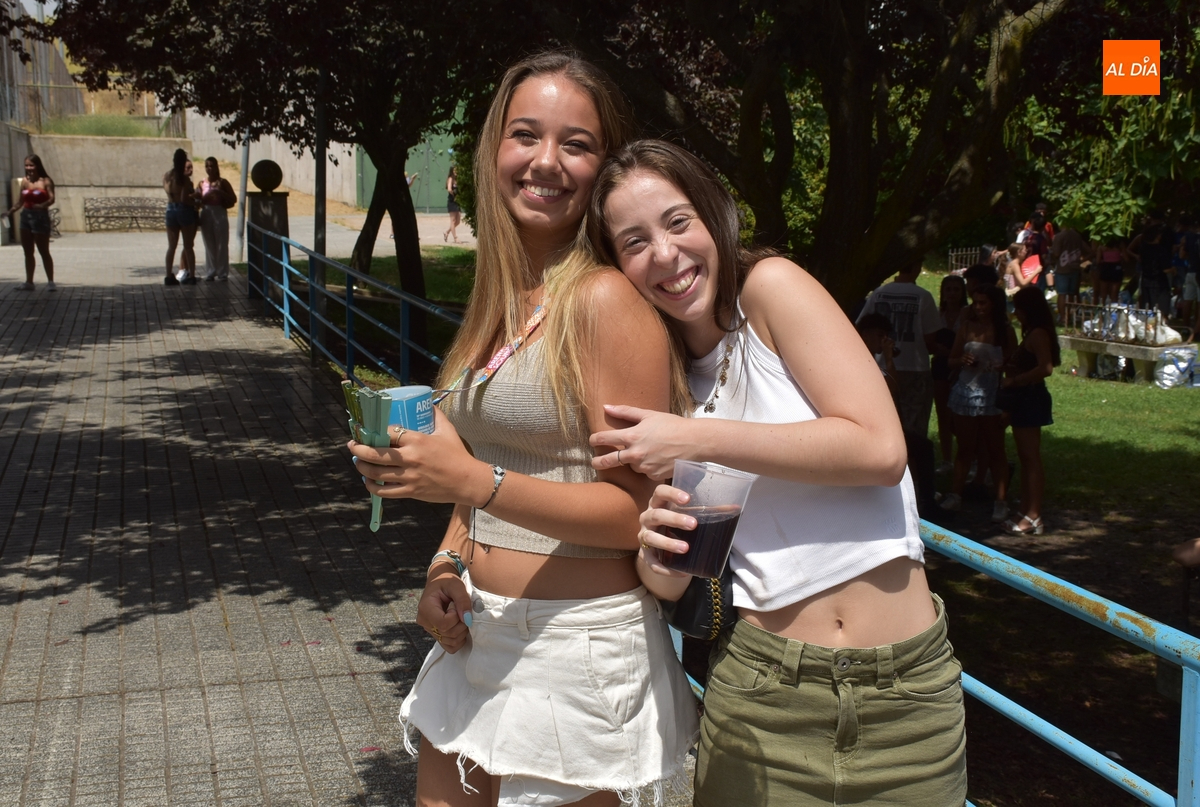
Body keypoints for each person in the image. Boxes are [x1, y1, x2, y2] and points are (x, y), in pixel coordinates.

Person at [346, 53, 697, 806]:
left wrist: (475, 482)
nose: (546, 161)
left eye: (577, 143)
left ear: (603, 167)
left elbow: (636, 513)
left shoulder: (604, 301)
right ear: (494, 149)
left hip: (576, 649)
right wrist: (443, 567)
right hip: (479, 631)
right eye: (527, 134)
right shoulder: (501, 298)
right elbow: (479, 467)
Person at [587, 140, 967, 806]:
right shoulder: (661, 382)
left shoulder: (769, 290)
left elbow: (880, 449)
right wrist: (658, 549)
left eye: (678, 222)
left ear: (712, 214)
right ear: (617, 266)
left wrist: (695, 437)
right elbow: (677, 579)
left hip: (907, 696)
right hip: (763, 695)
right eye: (635, 242)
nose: (666, 254)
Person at [857, 262, 940, 515]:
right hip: (871, 429)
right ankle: (923, 502)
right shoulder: (861, 360)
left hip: (882, 426)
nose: (884, 340)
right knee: (920, 449)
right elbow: (891, 390)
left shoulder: (874, 359)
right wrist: (889, 359)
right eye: (880, 335)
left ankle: (924, 500)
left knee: (920, 447)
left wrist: (888, 357)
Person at [940, 284, 1017, 521]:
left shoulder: (1005, 331)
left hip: (992, 395)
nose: (978, 307)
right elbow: (951, 360)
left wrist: (1003, 369)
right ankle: (956, 495)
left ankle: (1000, 501)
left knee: (995, 450)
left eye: (983, 302)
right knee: (965, 448)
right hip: (966, 393)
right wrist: (961, 359)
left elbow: (1015, 365)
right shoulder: (966, 327)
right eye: (975, 302)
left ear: (994, 304)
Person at [998, 287, 1059, 536]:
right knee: (1025, 457)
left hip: (1031, 397)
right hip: (1023, 398)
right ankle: (1025, 509)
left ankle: (1034, 515)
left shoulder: (1038, 334)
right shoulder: (1032, 333)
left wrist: (1015, 380)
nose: (1016, 313)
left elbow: (1046, 368)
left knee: (1031, 457)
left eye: (1019, 308)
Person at [932, 274, 968, 473]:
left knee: (960, 416)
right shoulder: (938, 315)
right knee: (943, 414)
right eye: (948, 289)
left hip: (962, 366)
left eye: (956, 289)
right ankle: (947, 459)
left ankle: (968, 456)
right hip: (940, 366)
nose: (952, 293)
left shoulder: (967, 315)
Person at [8, 154, 56, 291]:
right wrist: (9, 212)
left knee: (43, 251)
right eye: (26, 165)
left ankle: (51, 282)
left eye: (31, 165)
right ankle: (29, 282)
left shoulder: (46, 181)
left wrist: (42, 205)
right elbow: (20, 201)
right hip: (25, 217)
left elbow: (52, 199)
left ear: (37, 165)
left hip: (40, 218)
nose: (28, 168)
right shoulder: (25, 181)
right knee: (28, 251)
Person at [196, 157, 236, 281]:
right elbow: (197, 200)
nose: (209, 168)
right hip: (206, 212)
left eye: (212, 166)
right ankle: (211, 271)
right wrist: (202, 199)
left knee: (222, 243)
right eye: (207, 166)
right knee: (209, 243)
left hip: (220, 212)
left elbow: (233, 198)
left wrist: (220, 193)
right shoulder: (202, 183)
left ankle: (222, 272)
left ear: (216, 167)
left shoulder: (223, 182)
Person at [1129, 211, 1174, 317]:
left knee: (1147, 306)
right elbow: (1166, 269)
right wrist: (1173, 270)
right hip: (1159, 282)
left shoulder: (1144, 249)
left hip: (1146, 280)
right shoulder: (1161, 250)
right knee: (1161, 309)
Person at [164, 149, 199, 286]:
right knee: (188, 246)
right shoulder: (184, 179)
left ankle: (168, 275)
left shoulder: (167, 176)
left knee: (171, 246)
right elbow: (184, 199)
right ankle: (192, 275)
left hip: (170, 209)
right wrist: (196, 203)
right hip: (183, 211)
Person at [1049, 225, 1090, 322]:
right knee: (1072, 293)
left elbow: (1056, 253)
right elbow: (1090, 252)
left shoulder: (1059, 236)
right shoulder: (1077, 236)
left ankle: (1063, 317)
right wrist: (1081, 260)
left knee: (1062, 294)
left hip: (1062, 269)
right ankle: (1070, 315)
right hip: (1075, 268)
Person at [1095, 238, 1126, 307]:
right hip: (1116, 269)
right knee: (1114, 295)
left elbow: (1097, 261)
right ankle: (1113, 310)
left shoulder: (1102, 246)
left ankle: (1101, 310)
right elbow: (1126, 258)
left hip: (1105, 269)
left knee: (1103, 294)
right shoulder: (1120, 245)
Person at [443, 165, 462, 243]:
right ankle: (455, 238)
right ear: (452, 171)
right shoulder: (450, 178)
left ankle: (447, 232)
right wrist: (454, 195)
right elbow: (449, 189)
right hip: (452, 201)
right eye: (454, 170)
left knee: (458, 221)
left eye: (457, 170)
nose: (456, 172)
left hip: (457, 201)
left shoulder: (458, 179)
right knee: (453, 220)